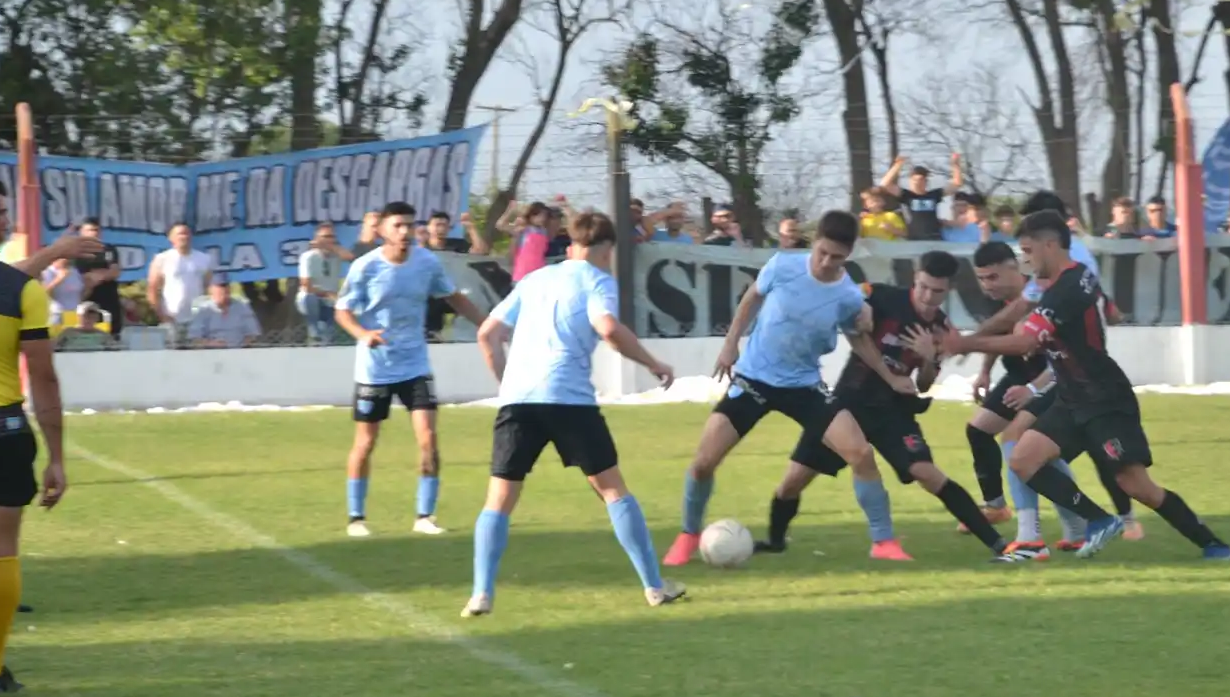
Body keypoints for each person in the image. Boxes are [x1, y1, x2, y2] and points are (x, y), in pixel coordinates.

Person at [942, 210, 1230, 562]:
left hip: (1103, 398)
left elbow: (1024, 344)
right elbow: (1037, 319)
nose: (1025, 260)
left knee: (1135, 485)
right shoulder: (1067, 280)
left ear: (1050, 245)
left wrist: (966, 344)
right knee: (1023, 458)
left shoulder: (1066, 289)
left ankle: (1212, 543)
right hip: (1071, 395)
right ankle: (1098, 520)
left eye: (1028, 251)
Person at [464, 212, 685, 616]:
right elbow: (607, 328)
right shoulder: (598, 280)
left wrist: (506, 383)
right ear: (606, 250)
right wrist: (653, 362)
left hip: (519, 400)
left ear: (570, 247)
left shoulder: (534, 279)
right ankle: (655, 586)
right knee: (612, 490)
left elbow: (487, 334)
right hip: (568, 400)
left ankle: (481, 593)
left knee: (499, 499)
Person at [662, 210, 910, 566]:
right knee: (703, 463)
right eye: (822, 252)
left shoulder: (847, 296)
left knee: (861, 453)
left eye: (836, 257)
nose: (826, 262)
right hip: (753, 380)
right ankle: (688, 535)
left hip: (803, 387)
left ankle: (883, 541)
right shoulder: (782, 265)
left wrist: (890, 377)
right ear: (815, 242)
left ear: (849, 254)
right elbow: (751, 298)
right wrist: (731, 344)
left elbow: (860, 341)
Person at [757, 251, 1014, 560]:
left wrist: (929, 357)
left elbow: (923, 385)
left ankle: (999, 546)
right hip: (847, 405)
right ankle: (775, 542)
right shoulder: (880, 296)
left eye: (937, 291)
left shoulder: (943, 330)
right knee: (792, 483)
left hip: (893, 412)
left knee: (927, 473)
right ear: (914, 279)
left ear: (949, 290)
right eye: (922, 287)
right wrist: (859, 307)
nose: (928, 297)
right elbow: (847, 293)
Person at [967, 190, 1140, 538]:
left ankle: (1046, 533)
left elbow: (1023, 321)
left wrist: (964, 342)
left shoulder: (1065, 265)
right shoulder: (1054, 265)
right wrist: (984, 362)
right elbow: (1016, 319)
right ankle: (1012, 512)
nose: (1029, 248)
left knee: (1037, 442)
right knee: (993, 433)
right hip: (1045, 368)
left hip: (1069, 370)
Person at [0, 181, 68, 694]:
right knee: (1, 550)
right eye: (2, 215)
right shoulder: (20, 288)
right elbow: (43, 377)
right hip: (0, 429)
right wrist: (57, 457)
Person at [334, 201, 488, 538]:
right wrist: (363, 334)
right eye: (397, 226)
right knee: (366, 442)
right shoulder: (365, 267)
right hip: (375, 369)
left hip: (415, 364)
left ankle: (424, 516)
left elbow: (452, 297)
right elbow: (342, 310)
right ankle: (356, 518)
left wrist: (485, 325)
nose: (404, 232)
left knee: (428, 438)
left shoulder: (426, 262)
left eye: (408, 225)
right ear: (381, 230)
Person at [966, 241, 1090, 558]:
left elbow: (1059, 352)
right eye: (981, 278)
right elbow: (997, 338)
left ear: (1014, 267)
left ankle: (1031, 538)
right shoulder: (1003, 303)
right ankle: (998, 507)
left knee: (1018, 441)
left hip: (1053, 378)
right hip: (1019, 378)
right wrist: (984, 372)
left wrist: (1033, 389)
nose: (986, 285)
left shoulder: (1039, 297)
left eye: (992, 277)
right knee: (979, 429)